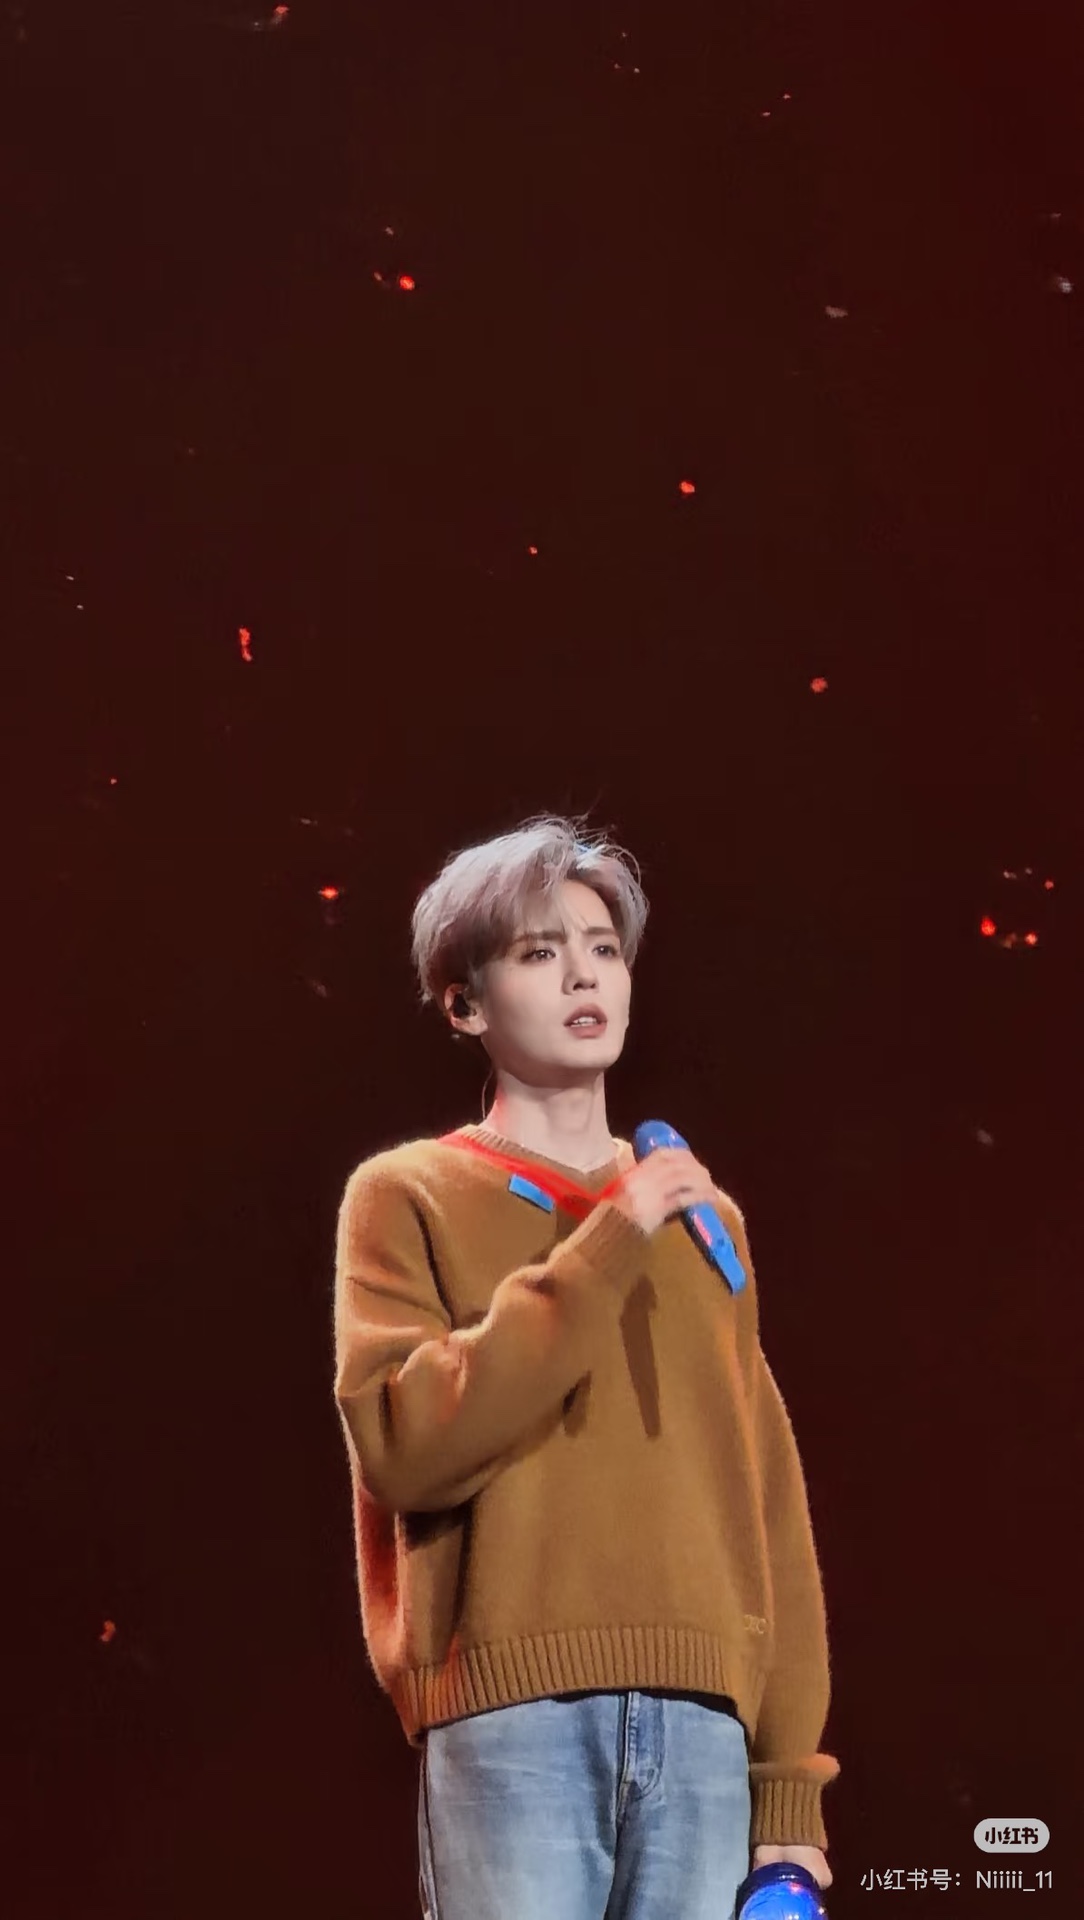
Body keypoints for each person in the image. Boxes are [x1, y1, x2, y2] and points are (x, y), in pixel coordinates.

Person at [333, 814, 839, 1920]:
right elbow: (408, 1447)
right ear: (464, 1004)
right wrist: (611, 1238)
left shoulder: (706, 1223)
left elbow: (767, 1509)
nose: (583, 973)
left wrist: (789, 1796)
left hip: (705, 1735)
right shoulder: (408, 1194)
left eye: (603, 947)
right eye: (538, 950)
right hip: (513, 1723)